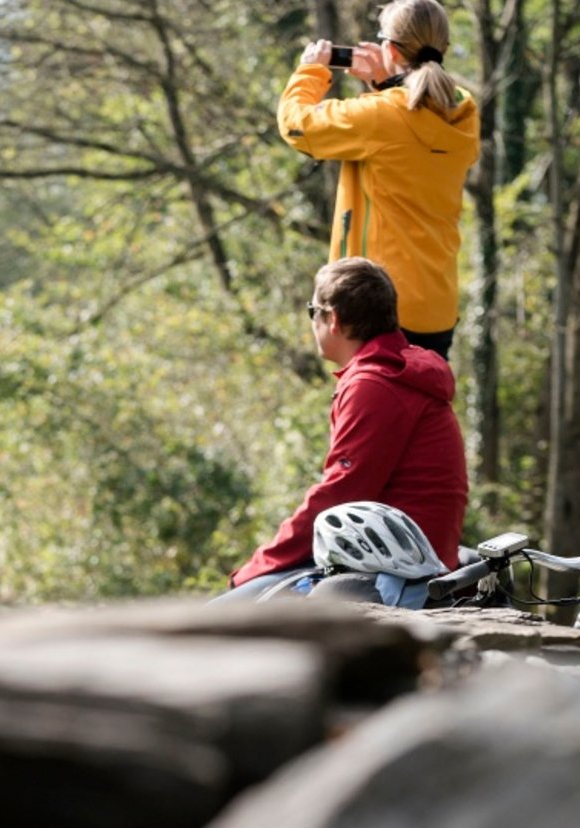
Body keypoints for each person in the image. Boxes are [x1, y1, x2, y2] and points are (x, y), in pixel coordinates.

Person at [216, 258, 467, 602]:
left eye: (312, 311)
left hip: (396, 572)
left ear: (332, 318)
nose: (312, 321)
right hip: (400, 556)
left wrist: (257, 567)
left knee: (226, 611)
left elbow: (340, 495)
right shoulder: (395, 373)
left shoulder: (375, 385)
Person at [279, 0, 479, 360]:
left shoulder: (382, 116)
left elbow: (297, 125)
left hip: (378, 307)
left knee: (372, 414)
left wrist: (310, 71)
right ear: (444, 48)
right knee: (423, 413)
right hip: (437, 307)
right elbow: (410, 134)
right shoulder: (464, 112)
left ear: (388, 48)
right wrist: (386, 84)